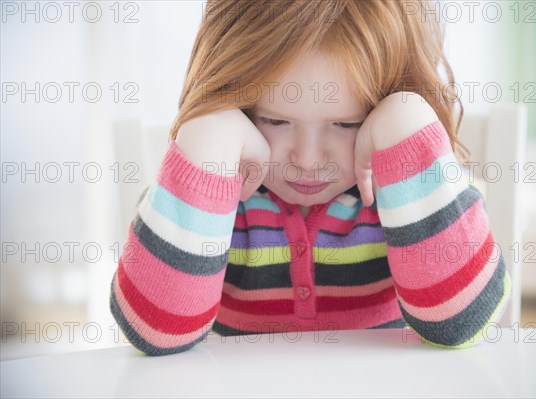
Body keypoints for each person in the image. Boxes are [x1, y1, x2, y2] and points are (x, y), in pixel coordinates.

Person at [109, 0, 511, 356]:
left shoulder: (415, 191)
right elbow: (154, 334)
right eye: (276, 120)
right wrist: (206, 140)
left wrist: (407, 119)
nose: (307, 160)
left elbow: (462, 323)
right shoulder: (208, 200)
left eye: (344, 123)